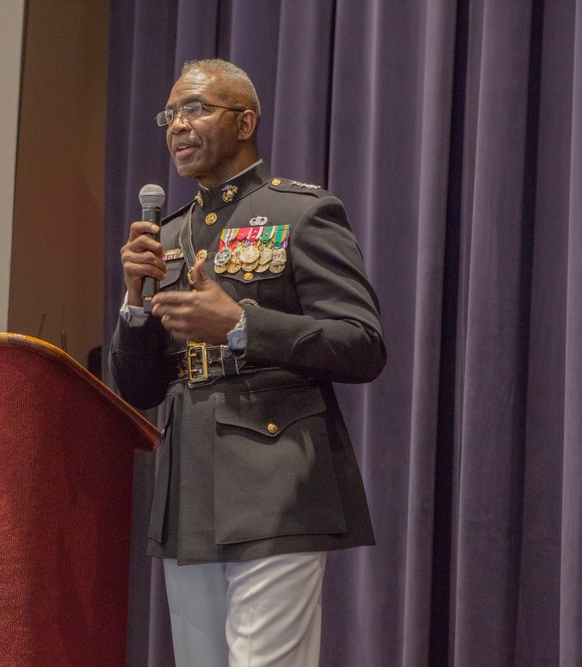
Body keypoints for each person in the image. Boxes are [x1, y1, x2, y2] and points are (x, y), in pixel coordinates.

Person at [112, 59, 386, 666]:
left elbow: (362, 344)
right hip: (188, 483)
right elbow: (137, 387)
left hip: (274, 476)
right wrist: (134, 302)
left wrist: (240, 324)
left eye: (196, 109)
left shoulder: (302, 214)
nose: (177, 126)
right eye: (170, 114)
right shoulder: (173, 232)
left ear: (245, 122)